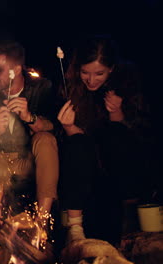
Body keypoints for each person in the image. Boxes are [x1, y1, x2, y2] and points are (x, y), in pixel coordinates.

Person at [57, 35, 151, 245]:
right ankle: (75, 230)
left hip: (117, 167)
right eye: (85, 73)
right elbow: (76, 144)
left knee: (114, 134)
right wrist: (69, 127)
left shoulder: (128, 83)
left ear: (112, 69)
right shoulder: (69, 86)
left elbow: (137, 137)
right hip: (84, 167)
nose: (91, 80)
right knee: (78, 145)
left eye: (99, 73)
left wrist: (117, 113)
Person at [0, 40, 59, 237]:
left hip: (26, 162)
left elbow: (55, 127)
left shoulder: (42, 88)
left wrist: (29, 118)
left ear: (16, 70)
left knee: (45, 140)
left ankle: (41, 224)